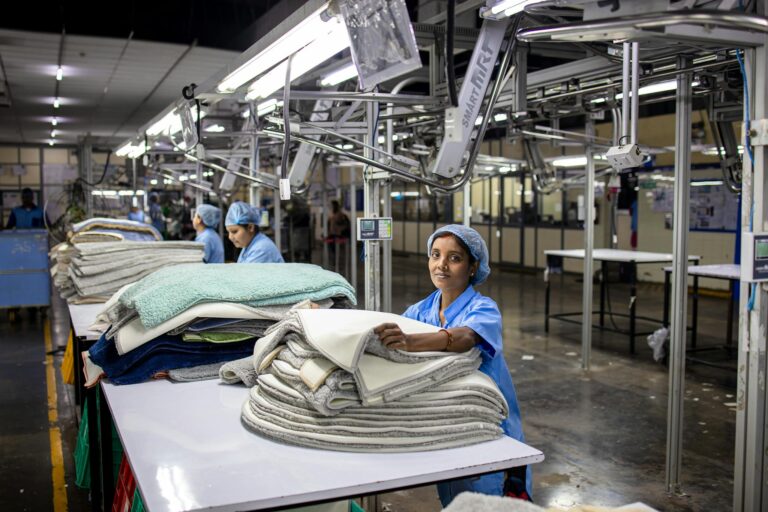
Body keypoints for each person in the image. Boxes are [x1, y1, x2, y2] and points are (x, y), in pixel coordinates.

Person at [373, 224, 531, 506]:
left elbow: (466, 338)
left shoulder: (484, 308)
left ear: (473, 267)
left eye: (454, 258)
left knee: (487, 500)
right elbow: (392, 340)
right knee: (455, 499)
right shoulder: (421, 310)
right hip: (448, 423)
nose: (441, 265)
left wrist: (409, 341)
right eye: (435, 255)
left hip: (487, 427)